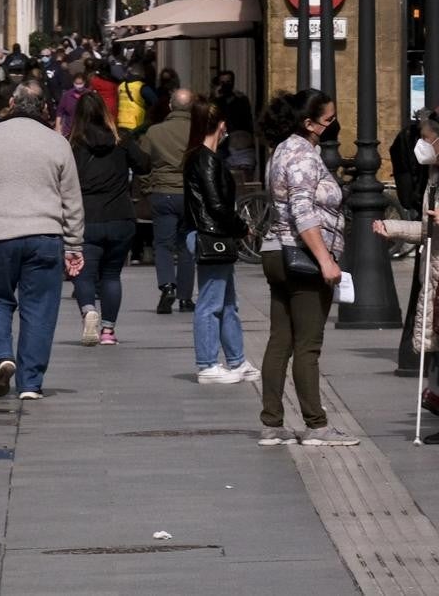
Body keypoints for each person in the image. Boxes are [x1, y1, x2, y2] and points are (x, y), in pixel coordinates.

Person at [257, 89, 358, 446]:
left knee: (280, 339)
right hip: (300, 256)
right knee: (308, 345)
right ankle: (317, 426)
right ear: (309, 123)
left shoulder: (281, 150)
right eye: (329, 119)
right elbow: (303, 212)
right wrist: (326, 260)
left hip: (275, 252)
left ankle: (272, 423)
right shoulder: (301, 156)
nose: (333, 125)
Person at [0, 83, 84, 399]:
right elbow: (71, 198)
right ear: (44, 110)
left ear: (11, 104)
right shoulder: (57, 143)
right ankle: (31, 383)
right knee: (40, 309)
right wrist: (74, 243)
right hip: (44, 234)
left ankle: (2, 356)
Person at [181, 96, 257, 384]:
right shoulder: (206, 160)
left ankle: (236, 360)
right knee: (211, 303)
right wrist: (241, 227)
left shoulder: (200, 157)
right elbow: (216, 204)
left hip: (212, 234)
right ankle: (207, 364)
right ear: (221, 125)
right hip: (210, 234)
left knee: (226, 302)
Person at [375, 110, 439, 437]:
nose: (422, 146)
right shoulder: (434, 177)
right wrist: (393, 228)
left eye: (427, 140)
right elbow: (429, 228)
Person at [69, 92, 150, 346]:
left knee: (82, 273)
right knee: (111, 275)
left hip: (86, 218)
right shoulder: (121, 140)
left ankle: (88, 310)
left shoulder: (73, 144)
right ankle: (108, 331)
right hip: (120, 217)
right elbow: (145, 165)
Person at [140, 89, 198, 313]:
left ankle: (167, 286)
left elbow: (143, 164)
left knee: (163, 244)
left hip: (162, 191)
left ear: (171, 107)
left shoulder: (154, 132)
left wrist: (147, 187)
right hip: (189, 193)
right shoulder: (198, 132)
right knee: (186, 246)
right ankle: (185, 297)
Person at [116, 62, 157, 135]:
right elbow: (156, 102)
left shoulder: (121, 86)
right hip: (135, 126)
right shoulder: (142, 87)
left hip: (120, 124)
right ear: (141, 73)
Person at [55, 72, 90, 136]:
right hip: (69, 130)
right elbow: (59, 112)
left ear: (84, 82)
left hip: (85, 130)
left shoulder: (89, 94)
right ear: (73, 82)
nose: (79, 85)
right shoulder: (67, 95)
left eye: (80, 83)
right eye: (77, 83)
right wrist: (58, 127)